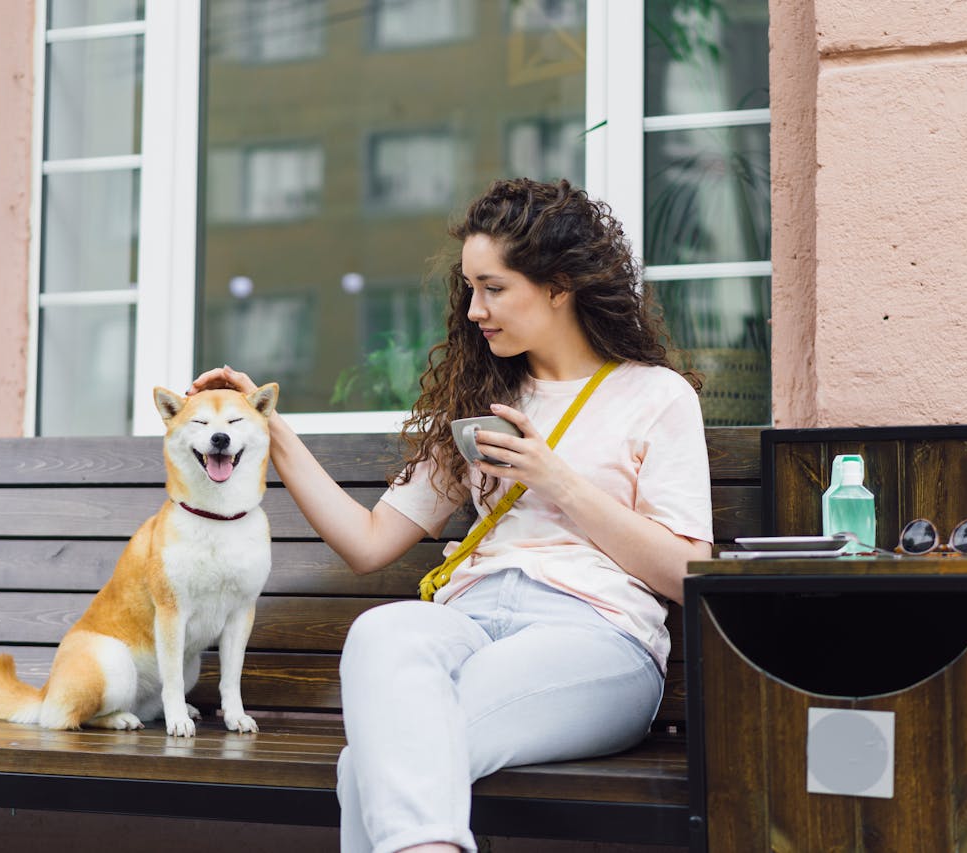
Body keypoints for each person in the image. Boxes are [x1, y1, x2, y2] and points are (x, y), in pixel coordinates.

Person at [189, 177, 713, 853]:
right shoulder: (486, 397)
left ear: (559, 284)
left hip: (592, 636)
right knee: (382, 633)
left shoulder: (654, 396)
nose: (474, 310)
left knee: (371, 765)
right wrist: (270, 429)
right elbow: (370, 541)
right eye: (470, 288)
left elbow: (690, 572)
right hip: (466, 621)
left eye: (493, 288)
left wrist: (556, 479)